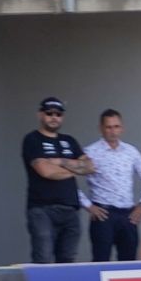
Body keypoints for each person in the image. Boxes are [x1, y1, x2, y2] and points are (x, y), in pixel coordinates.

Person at [23, 94, 92, 262]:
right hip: (42, 209)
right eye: (49, 113)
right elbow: (45, 171)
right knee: (44, 258)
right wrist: (75, 169)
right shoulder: (32, 139)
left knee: (68, 260)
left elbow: (89, 167)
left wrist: (60, 161)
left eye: (58, 114)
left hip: (71, 210)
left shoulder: (69, 141)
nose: (54, 117)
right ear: (40, 114)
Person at [84, 107, 141, 261]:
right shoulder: (90, 152)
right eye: (108, 127)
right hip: (103, 214)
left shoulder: (131, 151)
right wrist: (87, 205)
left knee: (128, 263)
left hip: (128, 215)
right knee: (100, 262)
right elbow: (68, 180)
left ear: (122, 128)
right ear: (101, 128)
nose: (113, 131)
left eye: (116, 126)